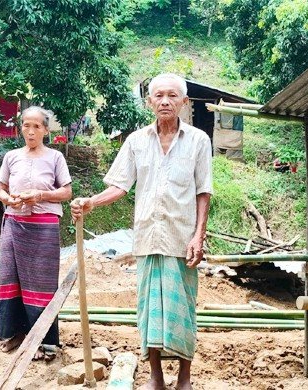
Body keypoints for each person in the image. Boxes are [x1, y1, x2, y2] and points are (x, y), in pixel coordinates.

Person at [71, 73, 212, 390]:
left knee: (184, 309)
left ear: (184, 102)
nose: (165, 101)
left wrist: (198, 235)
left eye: (172, 95)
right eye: (159, 95)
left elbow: (204, 191)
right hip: (148, 238)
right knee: (149, 309)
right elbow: (119, 186)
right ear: (149, 102)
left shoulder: (199, 141)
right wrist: (90, 202)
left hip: (181, 239)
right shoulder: (136, 142)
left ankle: (184, 379)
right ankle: (156, 378)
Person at [0, 106, 73, 360]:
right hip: (13, 222)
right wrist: (9, 200)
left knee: (41, 282)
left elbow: (66, 192)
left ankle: (45, 341)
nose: (30, 131)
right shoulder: (11, 156)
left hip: (44, 226)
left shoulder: (55, 158)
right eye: (26, 125)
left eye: (36, 126)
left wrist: (40, 195)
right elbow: (1, 189)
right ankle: (12, 333)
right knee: (9, 276)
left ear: (46, 130)